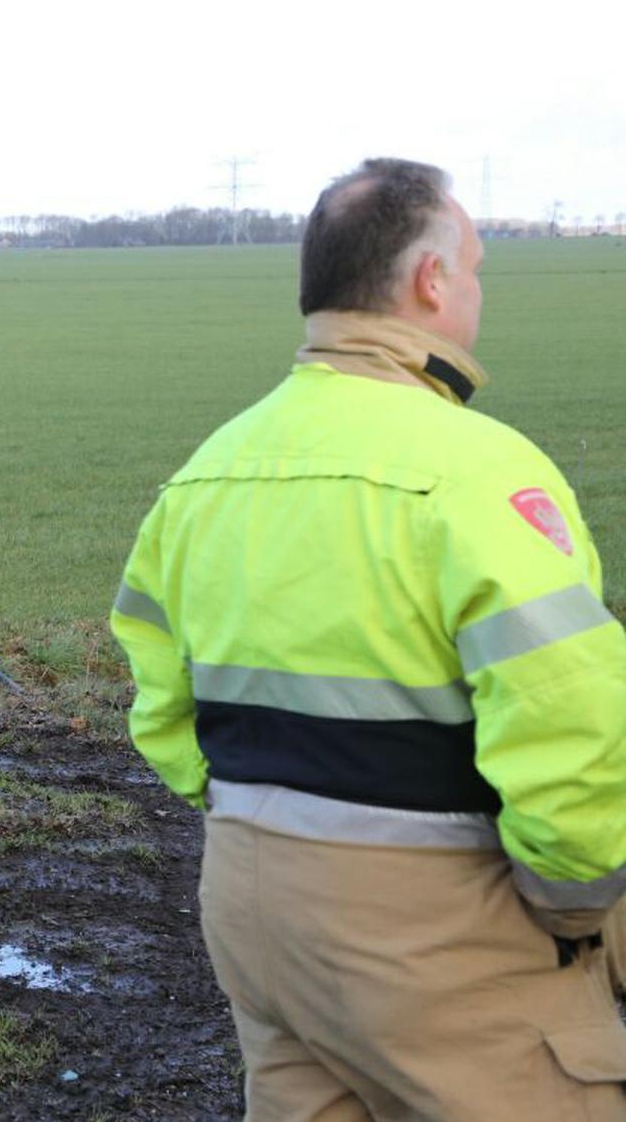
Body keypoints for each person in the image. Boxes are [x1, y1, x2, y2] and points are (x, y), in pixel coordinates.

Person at [109, 158, 626, 1120]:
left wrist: (267, 815)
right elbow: (574, 720)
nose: (476, 289)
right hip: (441, 929)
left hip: (253, 903)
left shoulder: (207, 472)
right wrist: (573, 903)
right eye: (474, 267)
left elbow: (159, 699)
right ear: (432, 281)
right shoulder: (477, 470)